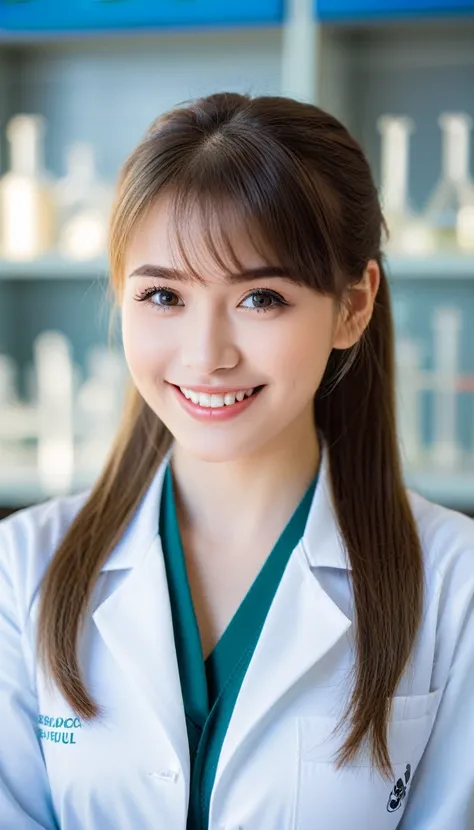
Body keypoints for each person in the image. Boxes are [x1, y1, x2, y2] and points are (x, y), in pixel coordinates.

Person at [0, 92, 473, 830]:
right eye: (163, 294)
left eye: (260, 298)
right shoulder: (21, 568)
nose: (206, 356)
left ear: (353, 306)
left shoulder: (454, 580)